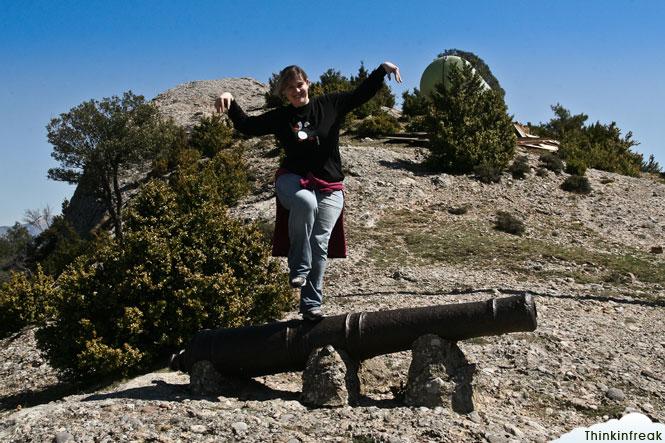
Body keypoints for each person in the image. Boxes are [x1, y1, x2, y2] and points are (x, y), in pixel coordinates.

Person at [215, 61, 402, 321]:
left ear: (308, 84)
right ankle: (298, 268)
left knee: (319, 243)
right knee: (305, 202)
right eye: (290, 88)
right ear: (284, 93)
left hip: (329, 186)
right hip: (293, 180)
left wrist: (382, 70)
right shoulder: (281, 117)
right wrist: (230, 100)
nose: (296, 91)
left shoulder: (330, 105)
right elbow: (248, 126)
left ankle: (311, 305)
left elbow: (361, 94)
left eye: (300, 85)